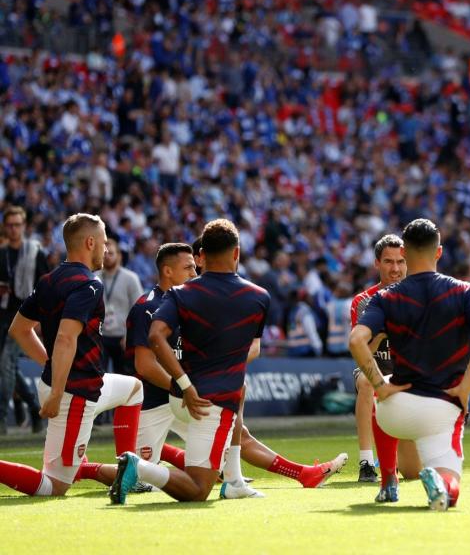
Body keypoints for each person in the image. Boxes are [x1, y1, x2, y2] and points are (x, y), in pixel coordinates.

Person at [122, 241, 344, 497]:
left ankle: (294, 474)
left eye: (195, 267)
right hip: (156, 402)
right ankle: (86, 468)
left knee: (238, 426)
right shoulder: (147, 306)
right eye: (188, 268)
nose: (194, 273)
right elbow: (144, 364)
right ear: (168, 271)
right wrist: (182, 388)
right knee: (133, 476)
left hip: (189, 395)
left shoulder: (194, 300)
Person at [109, 219, 270, 504]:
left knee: (208, 461)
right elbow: (249, 348)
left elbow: (156, 336)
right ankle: (141, 467)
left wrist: (183, 384)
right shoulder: (258, 298)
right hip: (213, 404)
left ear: (202, 255)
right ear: (237, 254)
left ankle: (232, 480)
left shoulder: (181, 294)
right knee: (198, 489)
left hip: (182, 397)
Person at [349, 218, 470, 510]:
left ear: (404, 252)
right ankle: (441, 483)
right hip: (443, 408)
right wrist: (466, 387)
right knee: (450, 487)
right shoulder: (464, 291)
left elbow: (356, 341)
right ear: (439, 252)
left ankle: (388, 480)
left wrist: (380, 385)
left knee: (385, 400)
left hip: (395, 411)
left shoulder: (384, 297)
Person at [0, 213, 143, 496]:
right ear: (90, 242)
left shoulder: (49, 280)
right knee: (54, 487)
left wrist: (49, 366)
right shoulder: (90, 284)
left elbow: (19, 329)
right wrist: (56, 393)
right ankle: (96, 470)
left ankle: (126, 470)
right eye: (103, 243)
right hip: (72, 394)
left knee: (134, 390)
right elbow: (66, 337)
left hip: (81, 385)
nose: (106, 249)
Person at [351, 234, 421, 487]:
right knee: (369, 382)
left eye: (401, 262)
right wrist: (381, 333)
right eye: (389, 262)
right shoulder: (363, 301)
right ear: (377, 264)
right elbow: (361, 350)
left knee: (413, 472)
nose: (395, 268)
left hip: (405, 376)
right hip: (372, 367)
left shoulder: (417, 298)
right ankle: (367, 462)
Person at [0, 206, 49, 434]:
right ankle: (32, 405)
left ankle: (1, 418)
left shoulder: (34, 252)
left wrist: (40, 317)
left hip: (24, 317)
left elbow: (45, 284)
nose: (13, 229)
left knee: (6, 363)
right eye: (9, 224)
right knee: (6, 366)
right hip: (3, 315)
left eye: (17, 224)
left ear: (24, 225)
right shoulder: (1, 254)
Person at [95, 238, 143, 374]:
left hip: (123, 337)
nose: (107, 256)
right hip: (100, 337)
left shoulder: (130, 278)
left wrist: (130, 334)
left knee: (124, 378)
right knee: (99, 378)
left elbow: (138, 309)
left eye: (111, 253)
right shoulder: (94, 278)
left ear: (119, 256)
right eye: (104, 253)